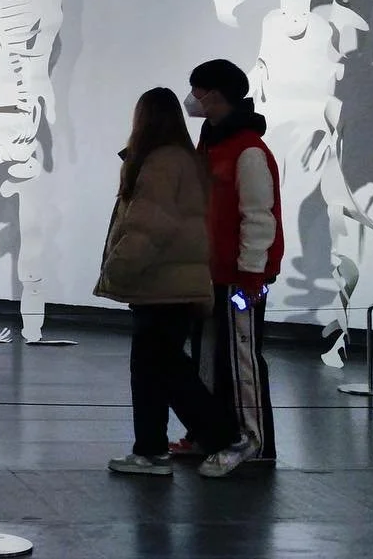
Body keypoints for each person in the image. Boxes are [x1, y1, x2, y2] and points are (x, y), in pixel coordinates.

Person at [95, 87, 241, 476]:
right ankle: (151, 449)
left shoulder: (159, 163)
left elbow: (148, 227)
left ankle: (221, 435)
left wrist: (118, 268)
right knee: (157, 371)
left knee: (163, 372)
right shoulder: (185, 159)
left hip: (159, 285)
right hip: (176, 284)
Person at [172, 59, 283, 477]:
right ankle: (210, 432)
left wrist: (251, 274)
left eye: (196, 89)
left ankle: (252, 442)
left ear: (214, 93)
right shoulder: (213, 142)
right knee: (206, 355)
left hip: (240, 277)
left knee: (241, 358)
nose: (193, 98)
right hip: (210, 273)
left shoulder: (249, 150)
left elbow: (259, 215)